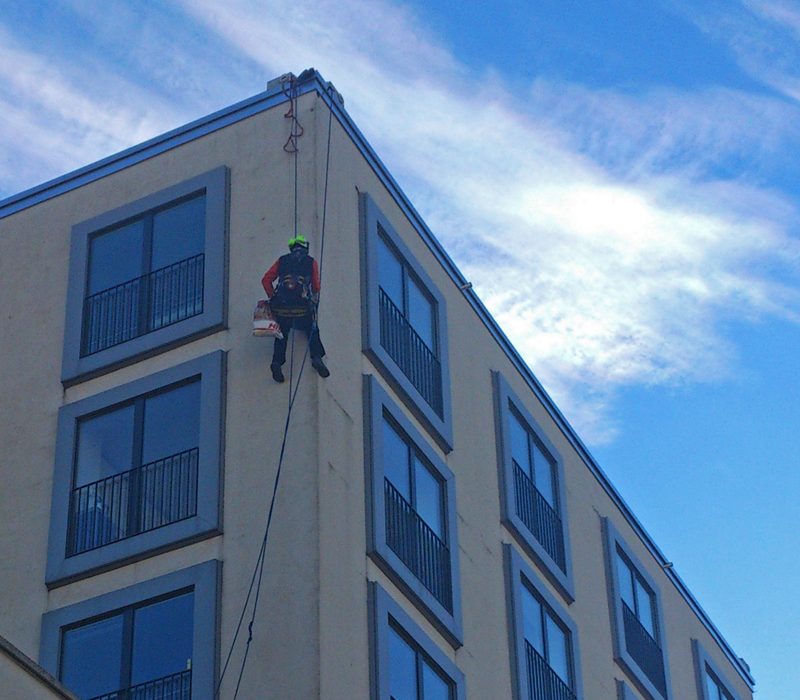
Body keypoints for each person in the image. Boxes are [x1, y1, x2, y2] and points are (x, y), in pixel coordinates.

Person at [262, 235, 329, 382]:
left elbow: (266, 279)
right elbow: (316, 285)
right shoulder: (311, 262)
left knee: (281, 334)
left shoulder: (282, 260)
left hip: (282, 306)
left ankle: (277, 362)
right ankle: (316, 357)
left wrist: (273, 296)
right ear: (305, 248)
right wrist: (314, 300)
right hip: (302, 306)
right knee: (312, 328)